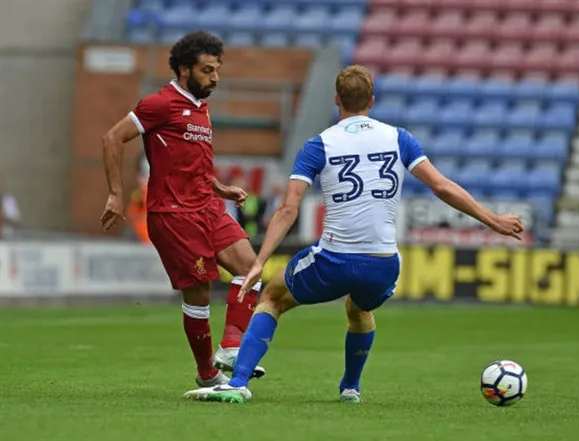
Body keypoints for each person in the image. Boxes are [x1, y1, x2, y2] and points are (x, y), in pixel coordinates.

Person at [183, 65, 525, 404]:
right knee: (360, 310)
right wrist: (492, 220)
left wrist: (260, 261)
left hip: (335, 259)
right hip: (383, 263)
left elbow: (289, 208)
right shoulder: (399, 138)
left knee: (272, 297)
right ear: (372, 100)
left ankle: (238, 382)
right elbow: (441, 186)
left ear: (336, 99)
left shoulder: (319, 145)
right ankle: (350, 388)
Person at [100, 31, 265, 389]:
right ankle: (207, 373)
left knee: (251, 270)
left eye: (217, 70)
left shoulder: (201, 107)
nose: (215, 78)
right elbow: (111, 138)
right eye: (207, 70)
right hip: (173, 214)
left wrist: (219, 187)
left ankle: (231, 347)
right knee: (200, 294)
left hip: (207, 206)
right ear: (184, 69)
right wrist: (115, 194)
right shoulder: (159, 104)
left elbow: (191, 160)